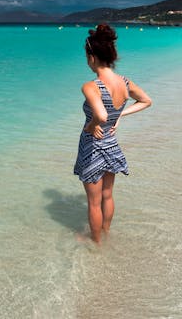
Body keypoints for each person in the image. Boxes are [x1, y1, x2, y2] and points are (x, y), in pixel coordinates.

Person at [74, 24, 152, 243]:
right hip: (111, 144)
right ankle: (106, 233)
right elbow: (147, 101)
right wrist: (121, 115)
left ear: (92, 57)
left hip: (92, 147)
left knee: (93, 201)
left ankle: (95, 242)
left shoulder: (91, 86)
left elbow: (100, 114)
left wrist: (91, 125)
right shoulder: (124, 82)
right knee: (107, 195)